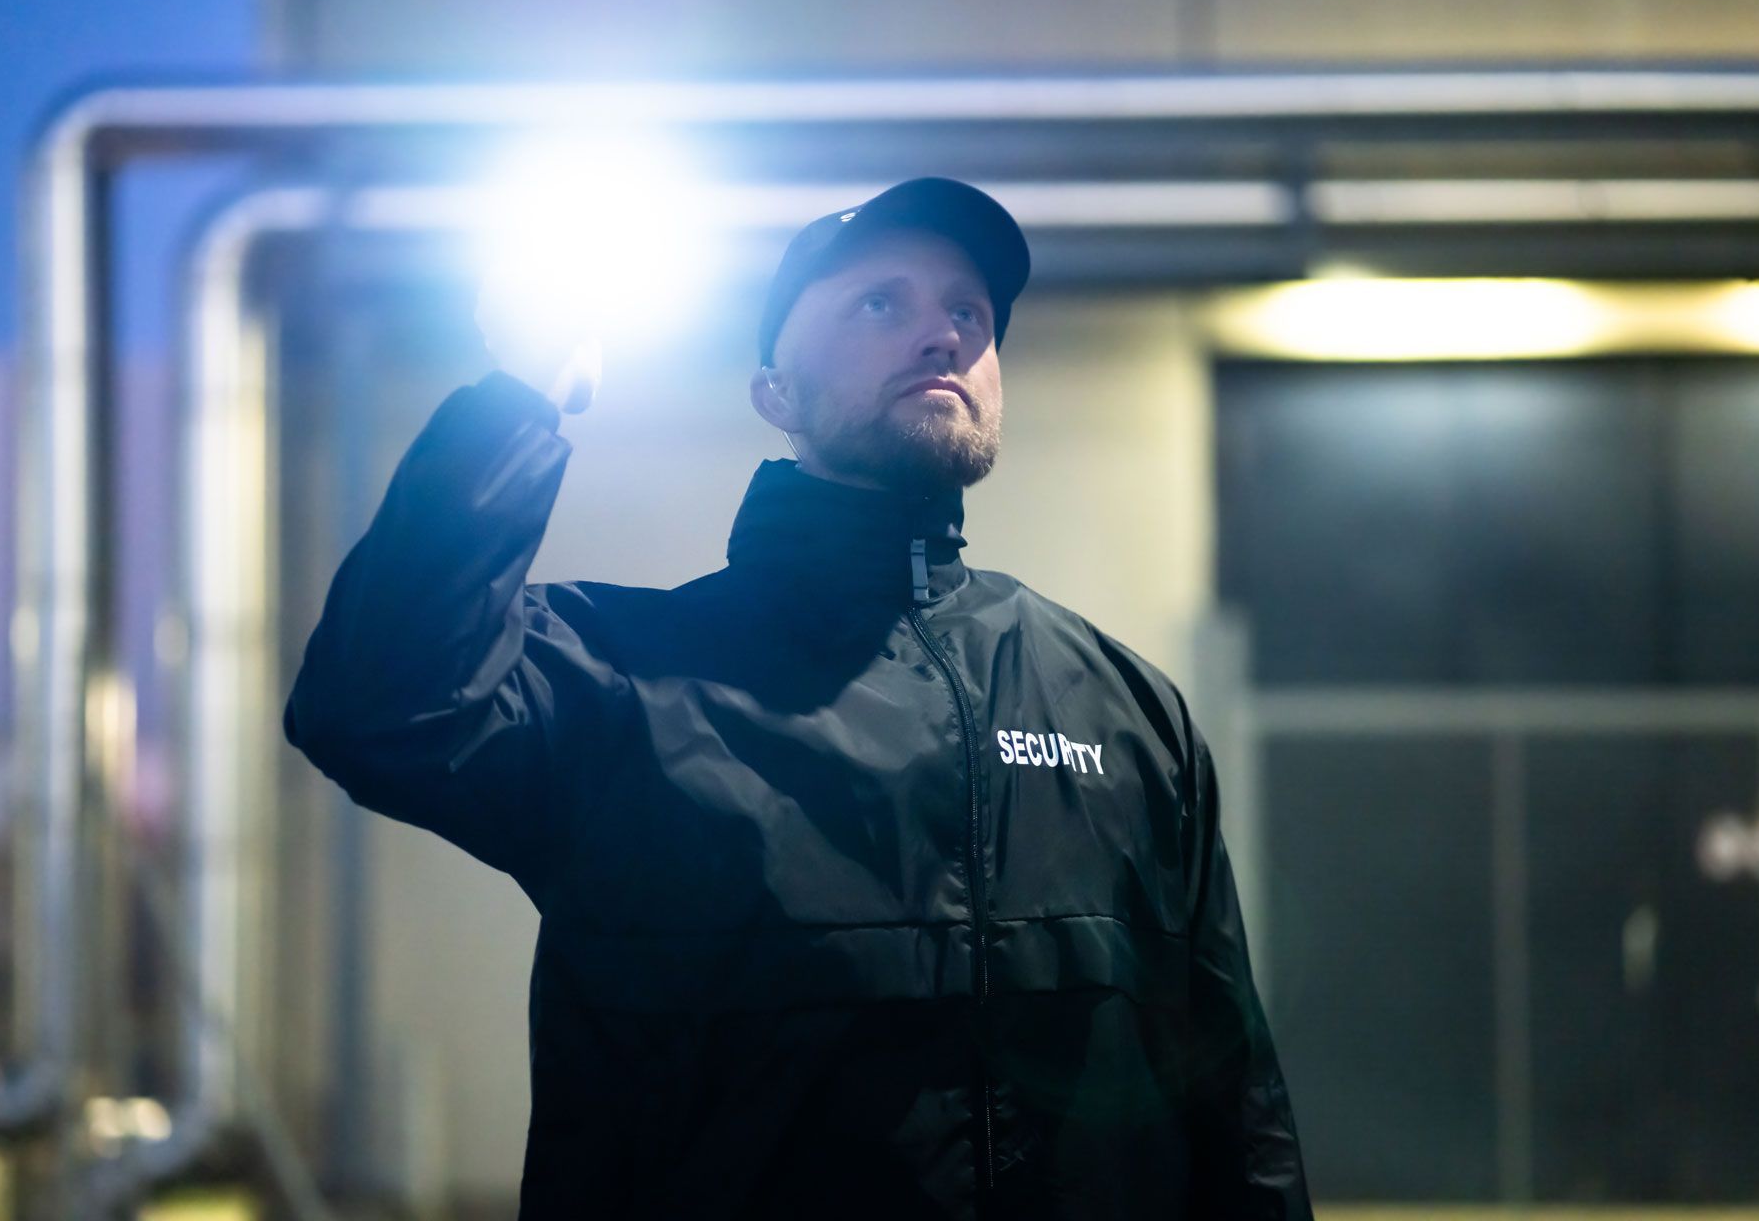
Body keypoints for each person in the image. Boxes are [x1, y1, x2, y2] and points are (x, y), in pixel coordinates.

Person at [284, 177, 1312, 1218]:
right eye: (882, 303)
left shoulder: (1125, 709)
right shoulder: (625, 676)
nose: (939, 335)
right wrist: (518, 400)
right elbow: (377, 701)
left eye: (969, 311)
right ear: (774, 391)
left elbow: (1233, 1094)